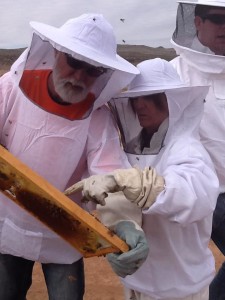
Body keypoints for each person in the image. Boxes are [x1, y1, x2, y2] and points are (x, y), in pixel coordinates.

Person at [0, 14, 149, 300]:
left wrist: (126, 224)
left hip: (64, 233)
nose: (80, 76)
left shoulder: (98, 118)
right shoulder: (11, 88)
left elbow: (109, 174)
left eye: (92, 69)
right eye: (74, 62)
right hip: (8, 224)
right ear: (56, 52)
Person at [79, 58, 219, 299]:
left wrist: (139, 184)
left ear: (174, 100)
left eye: (151, 96)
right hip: (138, 282)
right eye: (136, 98)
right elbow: (121, 204)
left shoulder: (187, 149)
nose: (140, 105)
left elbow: (192, 196)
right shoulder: (135, 149)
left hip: (180, 288)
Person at [170, 1, 225, 298]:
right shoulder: (174, 74)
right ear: (198, 23)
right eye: (218, 19)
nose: (224, 27)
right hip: (209, 192)